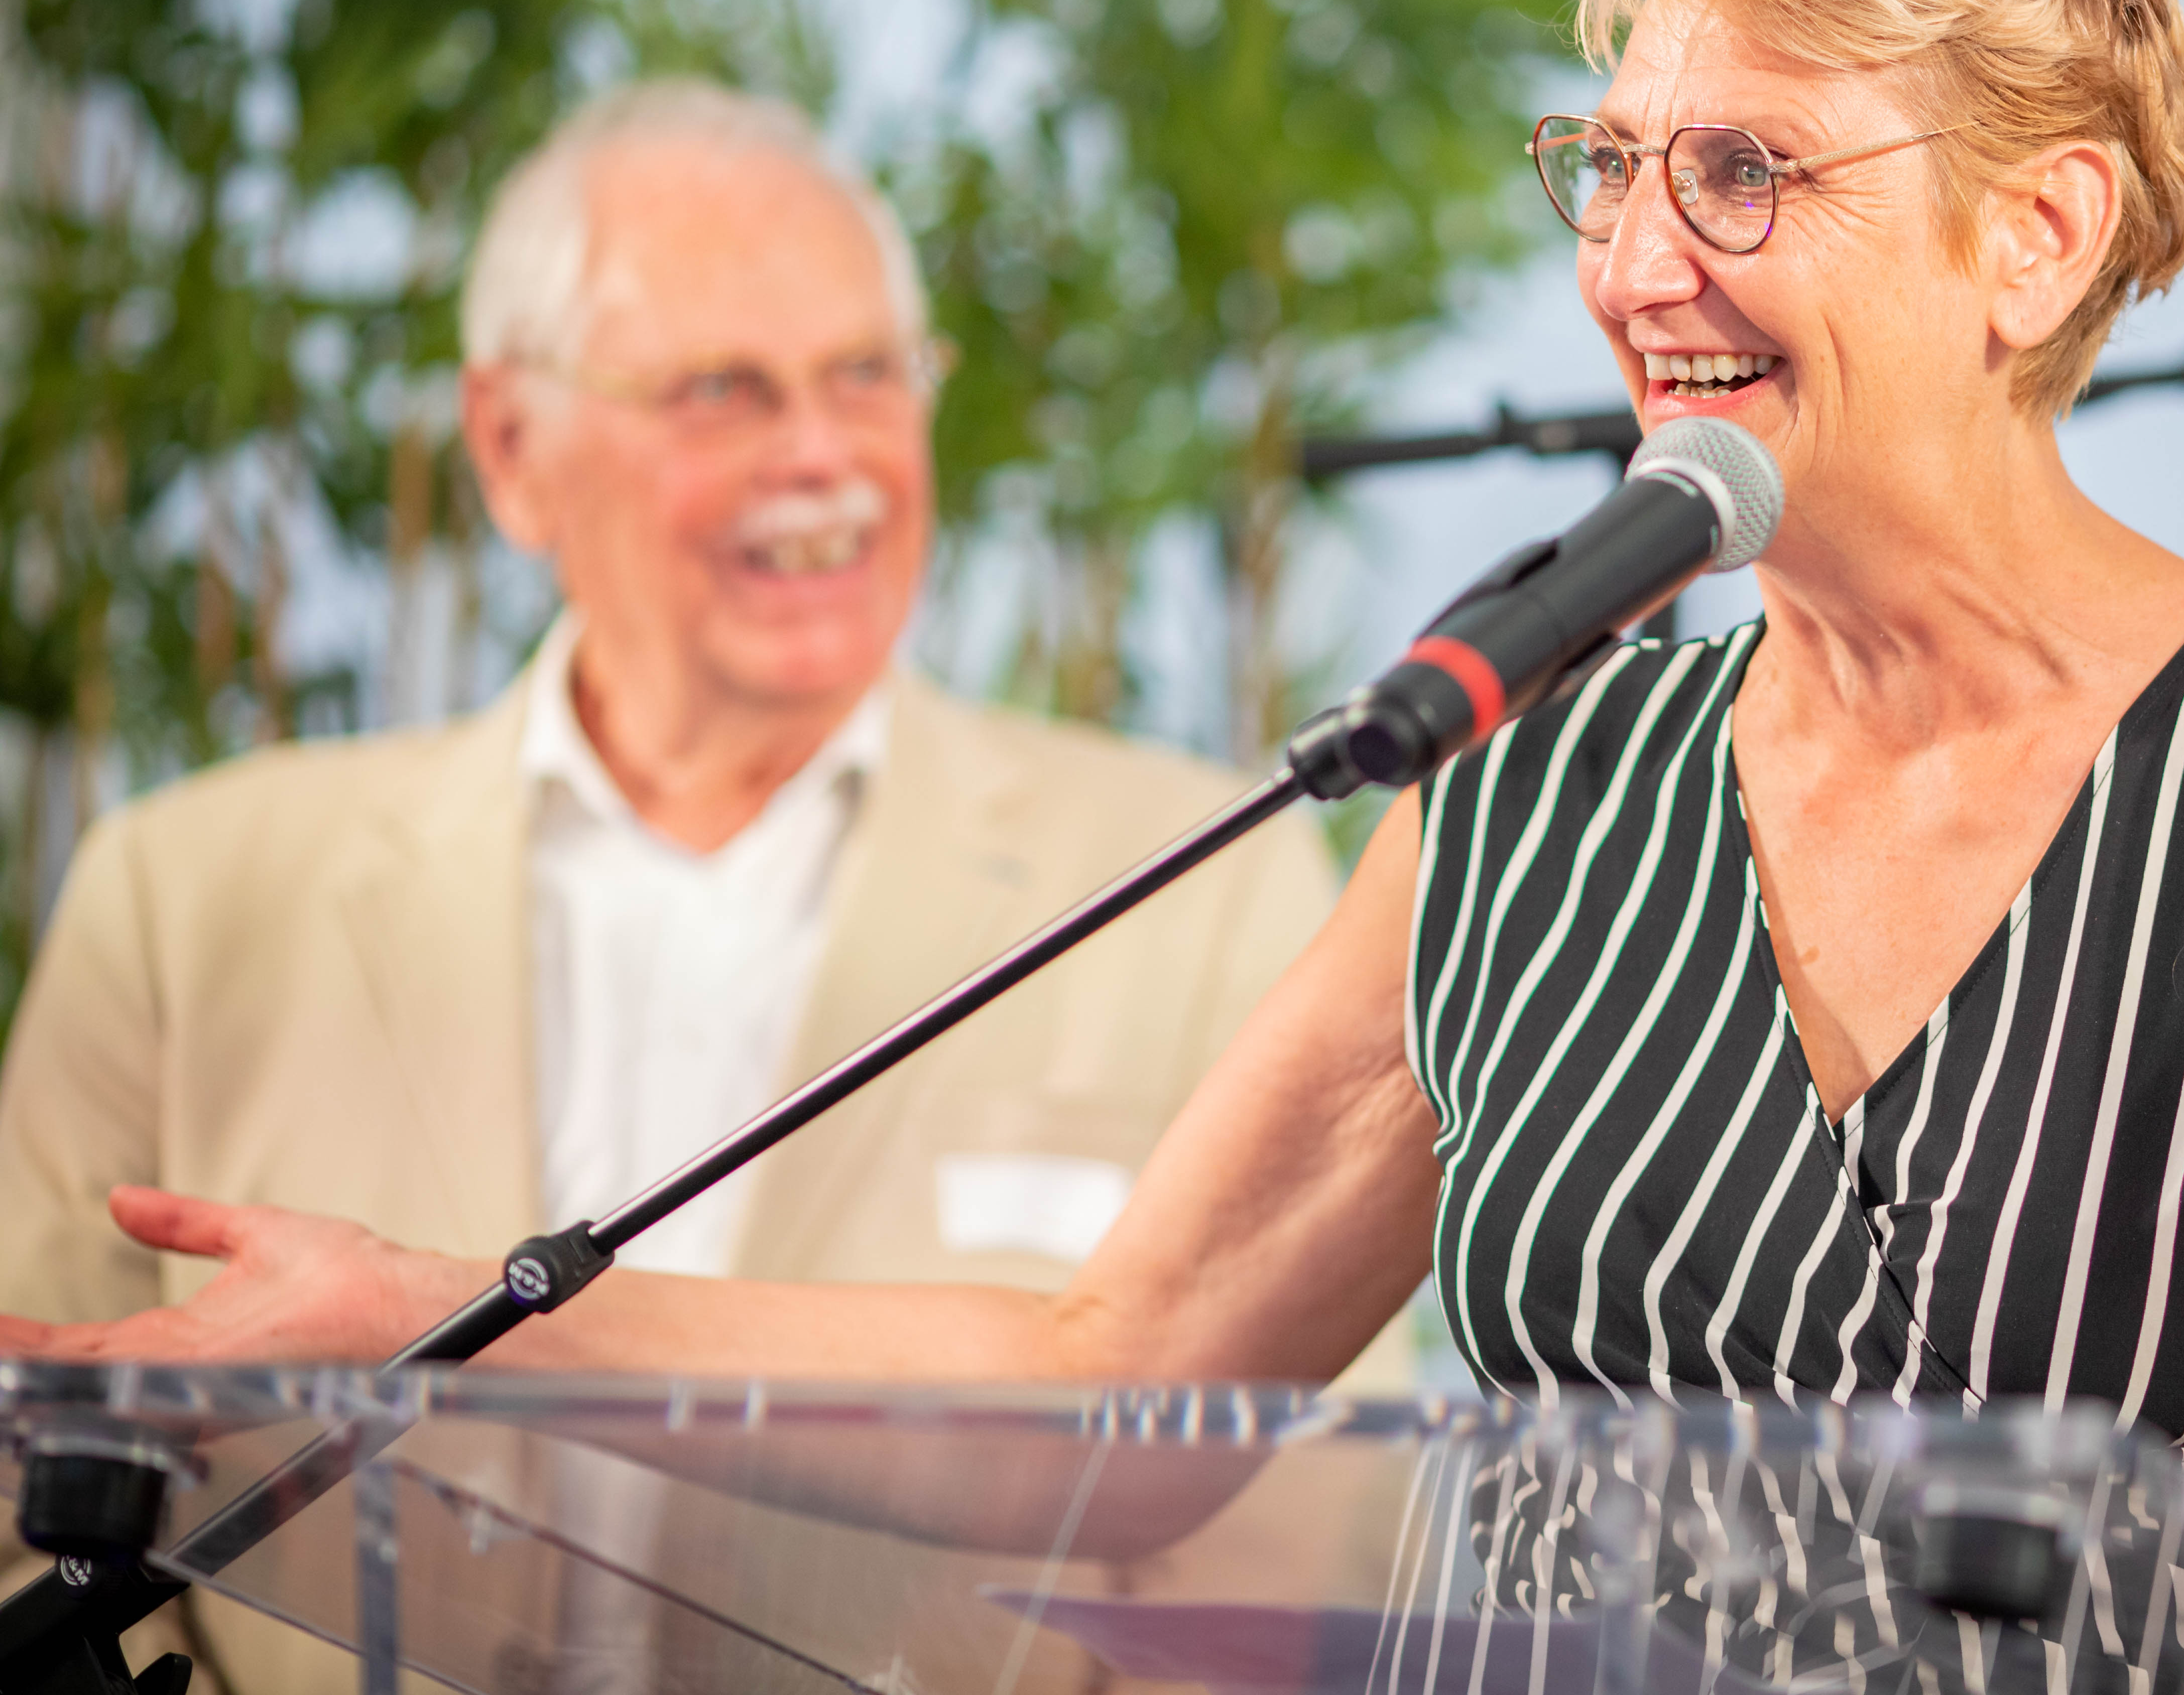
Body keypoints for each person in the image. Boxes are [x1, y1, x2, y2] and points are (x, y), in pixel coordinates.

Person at [6, 0, 2184, 1630]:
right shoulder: (1533, 778)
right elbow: (1116, 1389)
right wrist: (443, 1330)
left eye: (1743, 170)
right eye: (1608, 163)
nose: (1629, 260)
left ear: (2027, 240)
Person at [0, 81, 1347, 1690]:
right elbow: (28, 1483)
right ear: (511, 447)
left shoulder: (1201, 879)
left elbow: (1282, 1555)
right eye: (722, 389)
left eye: (866, 375)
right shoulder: (189, 892)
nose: (823, 459)